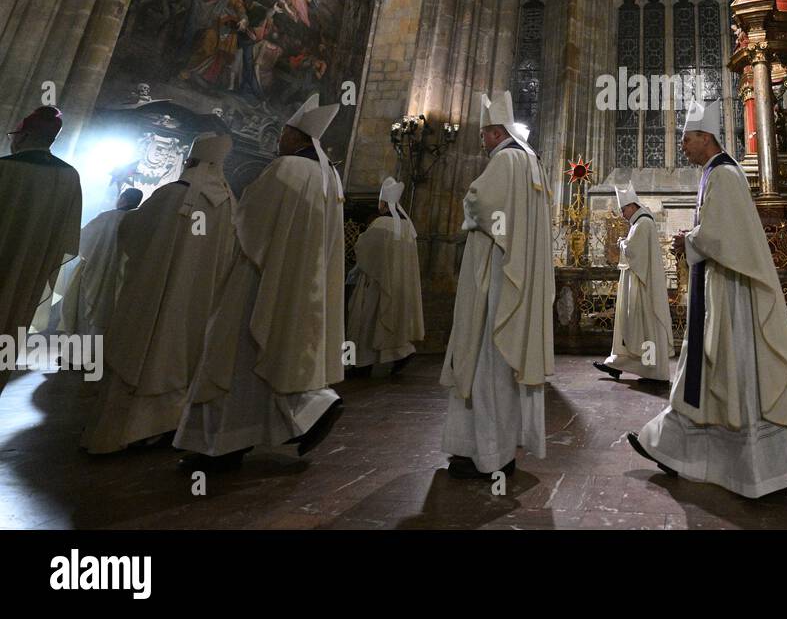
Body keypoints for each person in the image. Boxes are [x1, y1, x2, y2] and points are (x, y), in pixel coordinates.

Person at [628, 99, 787, 498]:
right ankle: (675, 449)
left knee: (727, 372)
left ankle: (759, 472)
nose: (683, 147)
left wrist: (688, 239)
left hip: (729, 297)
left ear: (704, 137)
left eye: (686, 139)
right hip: (718, 289)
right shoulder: (716, 174)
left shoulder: (724, 175)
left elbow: (721, 237)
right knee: (707, 372)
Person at [174, 94, 346, 471]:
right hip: (303, 282)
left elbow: (249, 219)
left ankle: (221, 442)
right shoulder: (329, 175)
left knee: (232, 353)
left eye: (284, 131)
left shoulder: (285, 169)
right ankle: (304, 408)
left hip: (259, 275)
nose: (279, 138)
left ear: (295, 135)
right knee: (276, 353)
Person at [81, 134, 239, 453]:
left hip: (156, 295)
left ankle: (123, 433)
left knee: (143, 353)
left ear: (190, 162)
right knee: (182, 356)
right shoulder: (230, 206)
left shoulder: (172, 194)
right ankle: (169, 426)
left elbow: (133, 235)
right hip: (200, 302)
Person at [441, 91, 554, 479]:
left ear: (495, 132)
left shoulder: (505, 160)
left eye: (484, 133)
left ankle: (488, 454)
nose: (482, 141)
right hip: (516, 276)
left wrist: (466, 208)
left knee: (485, 358)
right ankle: (482, 446)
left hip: (495, 277)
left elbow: (479, 203)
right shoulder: (532, 163)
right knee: (501, 366)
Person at [0, 106, 82, 394]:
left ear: (22, 137)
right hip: (29, 274)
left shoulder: (4, 168)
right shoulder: (69, 177)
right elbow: (67, 240)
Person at [345, 176, 423, 378]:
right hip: (397, 284)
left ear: (384, 203)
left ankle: (359, 364)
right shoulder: (407, 227)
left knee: (363, 323)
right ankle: (400, 352)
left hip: (374, 283)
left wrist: (361, 238)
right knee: (388, 322)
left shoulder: (380, 224)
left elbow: (364, 250)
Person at [594, 183, 673, 383]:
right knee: (634, 328)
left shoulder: (643, 224)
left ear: (632, 206)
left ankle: (653, 372)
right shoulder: (639, 224)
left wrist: (622, 243)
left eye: (623, 210)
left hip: (643, 287)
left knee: (645, 329)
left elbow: (633, 252)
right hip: (638, 282)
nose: (622, 215)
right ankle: (619, 364)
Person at [56, 187, 144, 340]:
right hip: (119, 280)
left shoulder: (106, 218)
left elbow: (82, 241)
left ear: (123, 199)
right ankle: (93, 359)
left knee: (83, 318)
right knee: (106, 319)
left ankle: (74, 358)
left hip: (93, 274)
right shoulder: (139, 222)